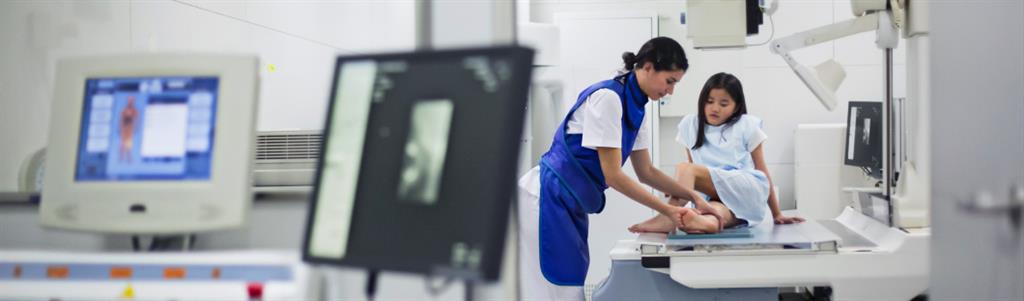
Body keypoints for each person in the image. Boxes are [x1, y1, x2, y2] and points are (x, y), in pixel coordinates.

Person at [517, 37, 717, 300]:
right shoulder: (608, 98)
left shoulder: (637, 108)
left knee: (569, 281)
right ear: (647, 67)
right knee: (557, 287)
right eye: (669, 81)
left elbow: (646, 171)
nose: (670, 92)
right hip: (545, 196)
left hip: (570, 200)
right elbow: (613, 176)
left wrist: (691, 196)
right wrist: (667, 209)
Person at [628, 72, 805, 235]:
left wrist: (777, 213)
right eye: (710, 101)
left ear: (736, 107)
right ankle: (705, 223)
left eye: (724, 104)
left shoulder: (746, 125)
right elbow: (694, 177)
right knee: (712, 215)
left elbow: (762, 171)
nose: (715, 108)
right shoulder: (691, 125)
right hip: (716, 196)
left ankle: (668, 217)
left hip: (745, 188)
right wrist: (680, 188)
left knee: (685, 168)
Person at [119, 96, 138, 162]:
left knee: (129, 144)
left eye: (132, 100)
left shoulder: (134, 110)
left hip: (130, 127)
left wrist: (135, 128)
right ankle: (121, 158)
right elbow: (121, 118)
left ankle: (129, 158)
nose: (130, 101)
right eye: (129, 100)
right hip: (124, 127)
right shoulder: (124, 109)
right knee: (122, 143)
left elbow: (135, 119)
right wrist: (120, 127)